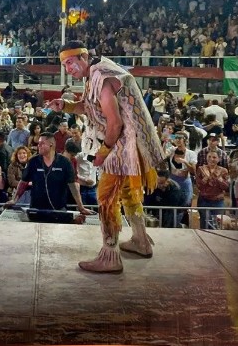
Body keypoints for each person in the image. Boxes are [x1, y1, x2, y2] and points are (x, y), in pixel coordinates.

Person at [49, 41, 164, 273]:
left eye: (70, 62)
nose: (68, 69)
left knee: (107, 197)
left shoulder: (101, 76)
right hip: (130, 143)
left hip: (123, 145)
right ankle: (141, 241)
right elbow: (92, 108)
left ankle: (110, 256)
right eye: (64, 65)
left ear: (83, 56)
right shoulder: (96, 72)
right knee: (127, 192)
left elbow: (115, 123)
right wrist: (67, 106)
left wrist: (102, 152)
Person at [5, 132, 92, 215]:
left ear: (51, 144)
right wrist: (14, 200)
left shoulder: (64, 162)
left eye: (42, 143)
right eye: (38, 143)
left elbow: (73, 185)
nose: (38, 146)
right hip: (36, 208)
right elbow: (23, 182)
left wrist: (81, 207)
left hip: (59, 208)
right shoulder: (33, 161)